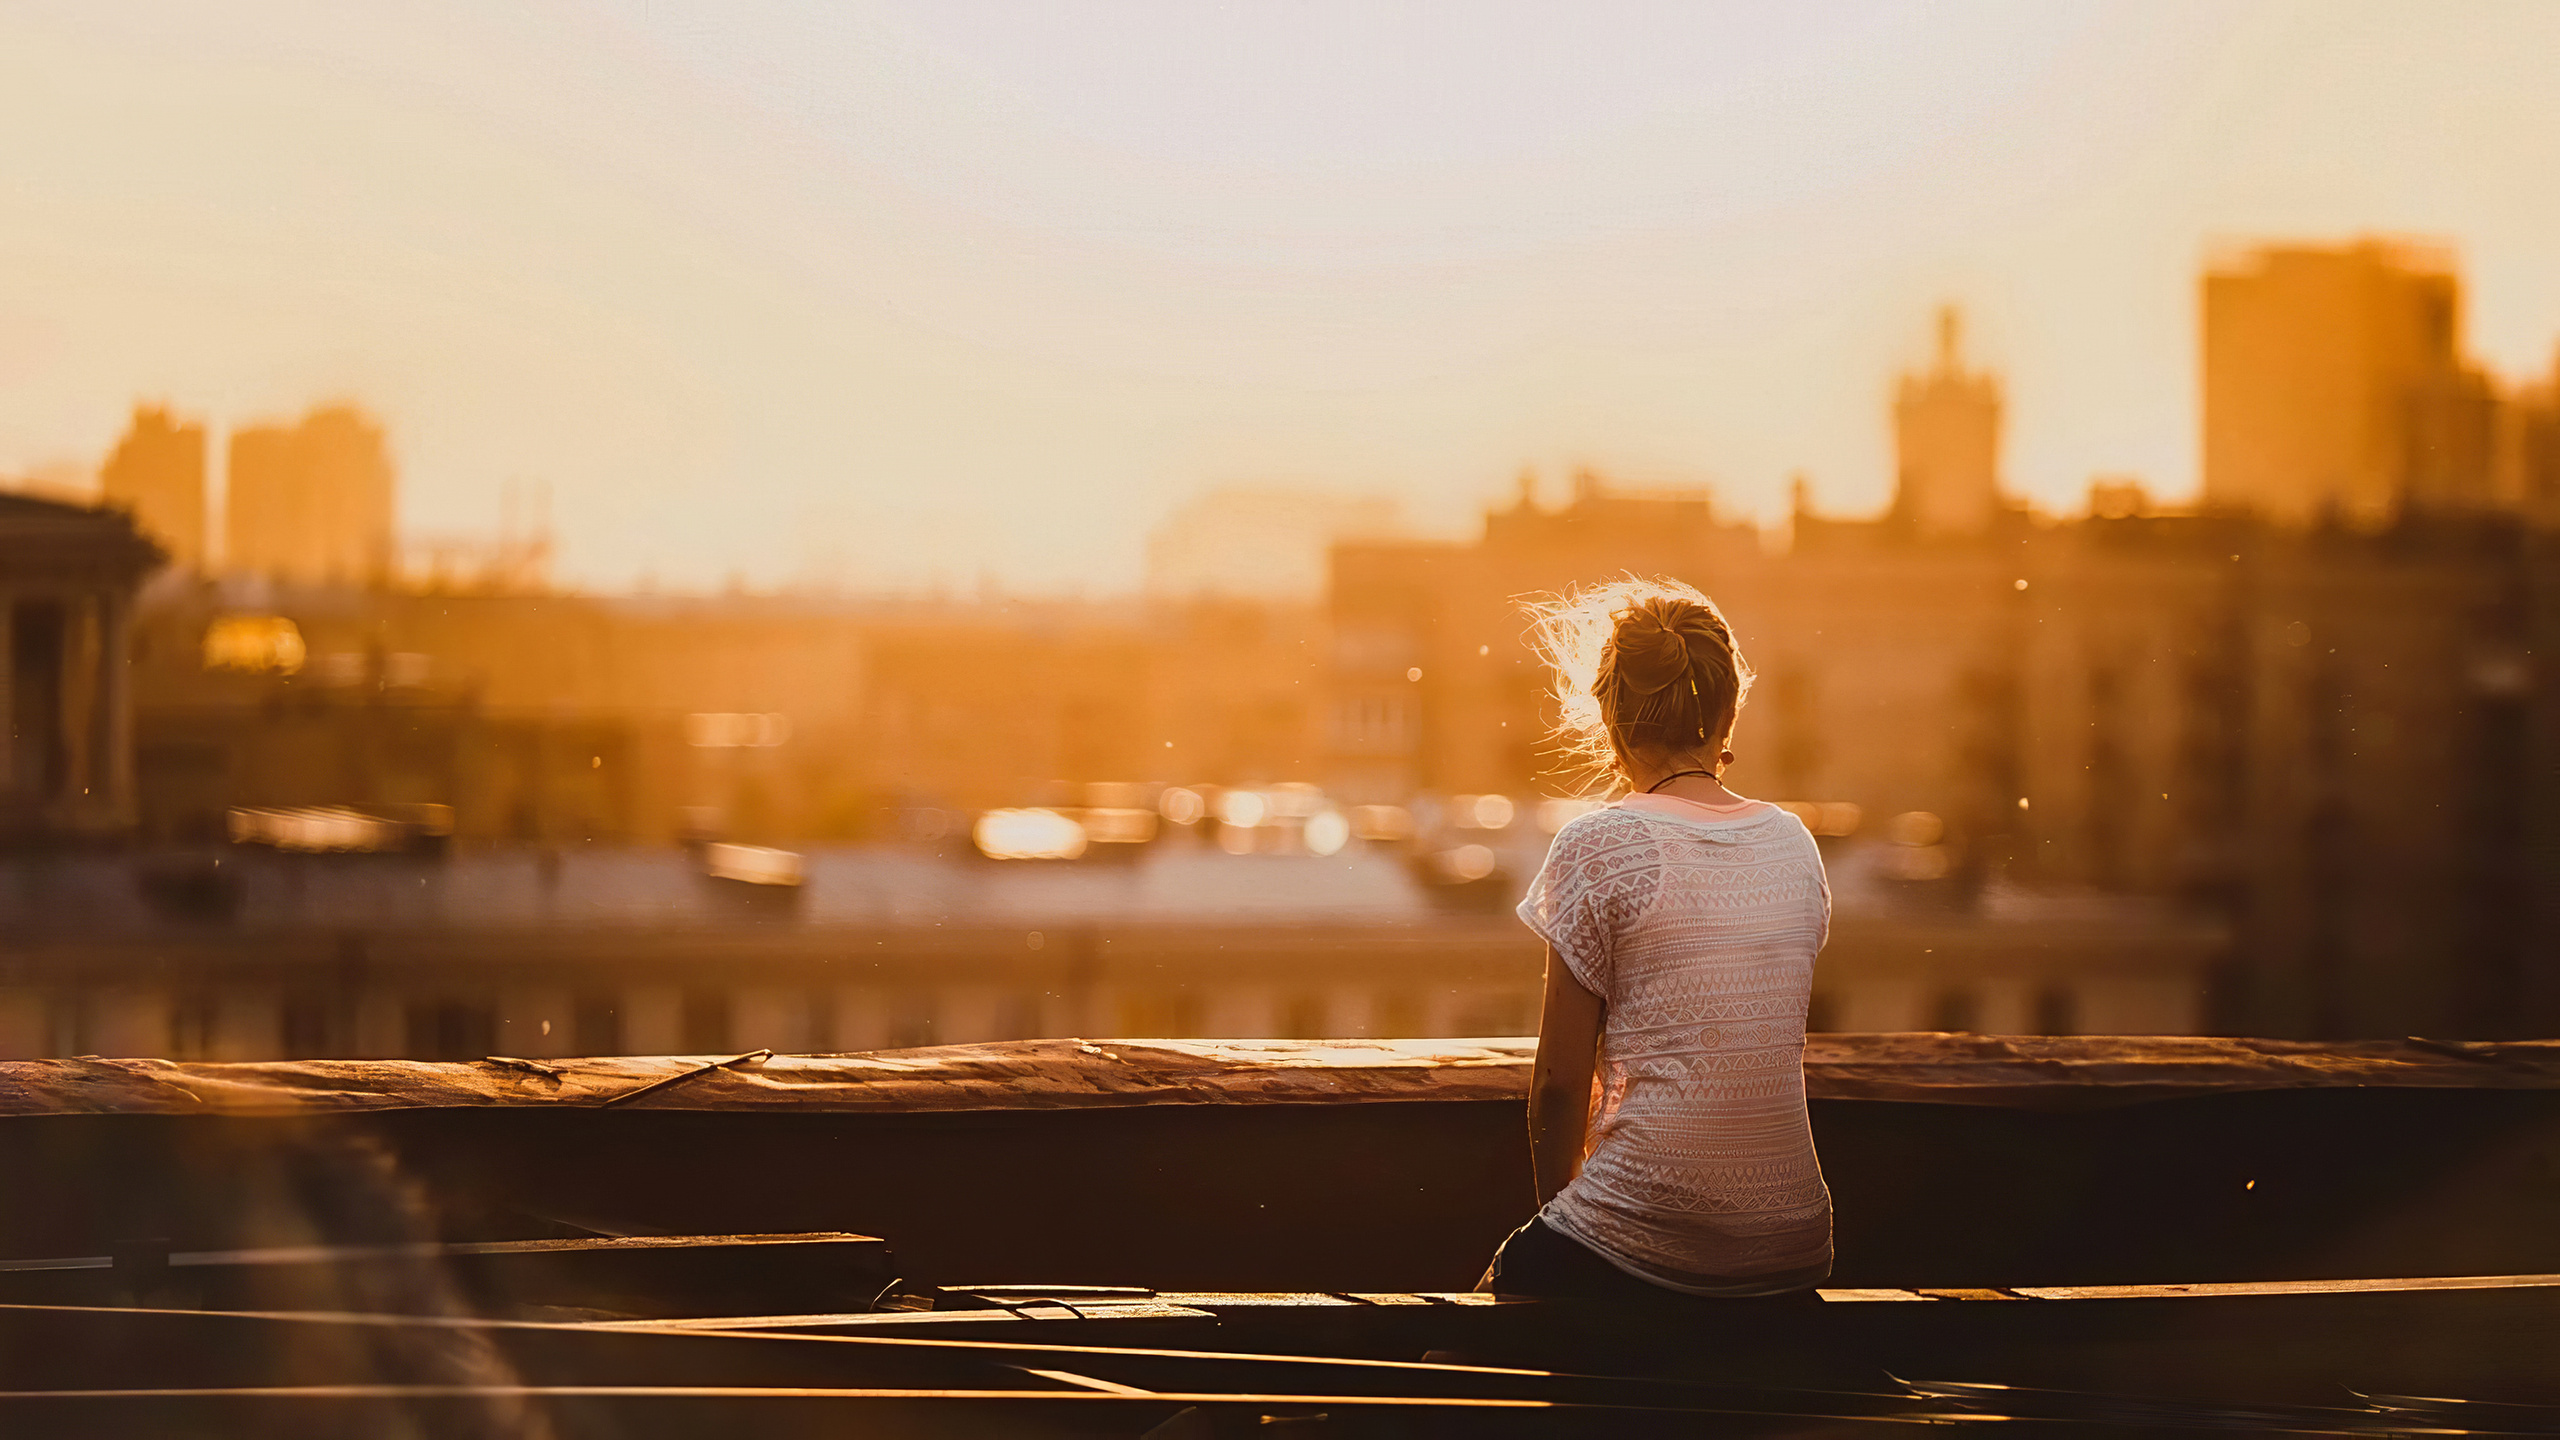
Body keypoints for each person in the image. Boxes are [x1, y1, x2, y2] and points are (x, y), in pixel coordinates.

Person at [1478, 577, 1832, 1301]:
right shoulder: (1793, 844)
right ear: (1728, 713)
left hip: (1650, 1229)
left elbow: (1558, 1086)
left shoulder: (1599, 845)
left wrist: (1561, 1215)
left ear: (1611, 717)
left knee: (1453, 1361)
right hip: (1794, 1239)